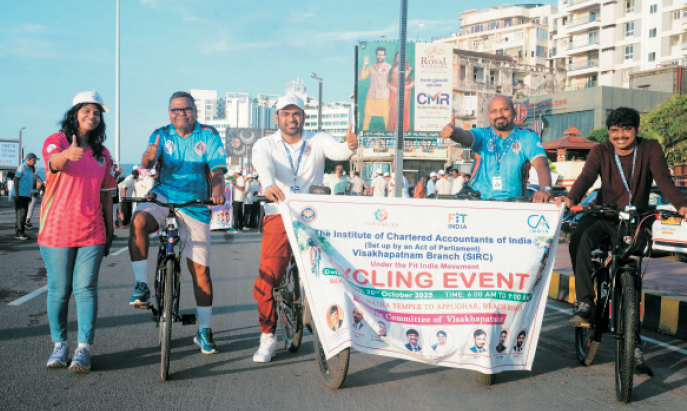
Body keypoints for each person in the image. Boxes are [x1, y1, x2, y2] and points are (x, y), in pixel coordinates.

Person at [556, 107, 687, 376]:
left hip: (635, 220)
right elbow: (586, 178)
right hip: (603, 215)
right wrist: (571, 198)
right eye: (614, 131)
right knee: (579, 237)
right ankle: (585, 302)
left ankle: (634, 347)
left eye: (626, 129)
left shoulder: (650, 148)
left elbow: (664, 180)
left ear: (636, 130)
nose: (620, 135)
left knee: (631, 278)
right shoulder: (601, 151)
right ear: (609, 132)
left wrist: (682, 204)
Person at [251, 93, 358, 362]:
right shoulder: (266, 144)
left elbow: (337, 151)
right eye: (286, 113)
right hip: (280, 213)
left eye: (296, 113)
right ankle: (267, 336)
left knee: (334, 270)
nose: (291, 118)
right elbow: (262, 163)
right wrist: (268, 184)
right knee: (269, 276)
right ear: (277, 118)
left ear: (303, 117)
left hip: (314, 216)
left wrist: (349, 147)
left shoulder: (317, 139)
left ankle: (335, 323)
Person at [127, 91, 226, 355]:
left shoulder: (208, 134)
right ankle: (141, 285)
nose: (181, 114)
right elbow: (147, 163)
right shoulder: (161, 134)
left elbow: (217, 170)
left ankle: (204, 330)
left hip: (196, 203)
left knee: (201, 272)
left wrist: (218, 191)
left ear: (195, 111)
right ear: (169, 113)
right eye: (176, 110)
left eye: (186, 109)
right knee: (138, 221)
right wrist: (148, 157)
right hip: (164, 195)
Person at [40, 91, 115, 372]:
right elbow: (53, 163)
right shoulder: (57, 141)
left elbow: (106, 195)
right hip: (56, 230)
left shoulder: (103, 154)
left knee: (85, 289)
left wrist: (110, 230)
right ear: (75, 114)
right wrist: (67, 155)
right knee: (59, 290)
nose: (92, 116)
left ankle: (83, 348)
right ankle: (59, 344)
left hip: (92, 231)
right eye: (86, 111)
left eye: (96, 113)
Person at [440, 95, 552, 202]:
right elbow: (466, 136)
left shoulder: (527, 136)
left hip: (512, 205)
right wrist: (454, 133)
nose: (499, 115)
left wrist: (545, 189)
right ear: (488, 115)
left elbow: (541, 164)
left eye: (504, 110)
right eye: (494, 111)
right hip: (477, 200)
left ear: (514, 112)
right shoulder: (483, 134)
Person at [360, 46, 391, 130]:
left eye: (382, 55)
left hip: (384, 96)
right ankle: (364, 133)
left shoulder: (389, 67)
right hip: (371, 95)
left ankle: (389, 134)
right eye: (378, 54)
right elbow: (361, 77)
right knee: (367, 116)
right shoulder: (370, 67)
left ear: (385, 56)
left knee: (386, 117)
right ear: (375, 55)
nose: (380, 56)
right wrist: (364, 65)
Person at [387, 51, 414, 132]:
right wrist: (392, 88)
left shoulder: (409, 69)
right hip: (393, 93)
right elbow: (387, 83)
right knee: (393, 112)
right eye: (398, 57)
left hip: (405, 94)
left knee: (403, 111)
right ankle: (393, 130)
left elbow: (413, 82)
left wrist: (404, 88)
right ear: (396, 58)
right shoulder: (391, 69)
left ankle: (403, 131)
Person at [13, 153, 37, 240]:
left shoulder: (30, 169)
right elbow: (16, 179)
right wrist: (16, 193)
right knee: (21, 215)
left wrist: (29, 194)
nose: (34, 162)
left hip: (26, 195)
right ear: (28, 159)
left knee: (23, 214)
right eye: (33, 160)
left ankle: (20, 233)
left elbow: (29, 182)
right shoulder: (22, 167)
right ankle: (20, 233)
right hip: (20, 194)